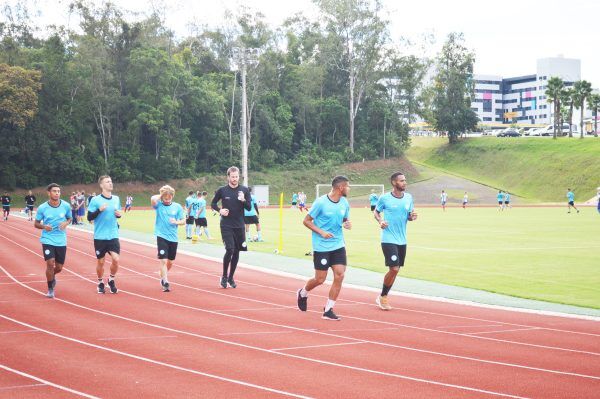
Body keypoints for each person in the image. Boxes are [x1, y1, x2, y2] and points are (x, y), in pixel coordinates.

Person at [296, 176, 351, 321]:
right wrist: (321, 232)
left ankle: (328, 309)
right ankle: (303, 292)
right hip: (321, 246)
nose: (349, 189)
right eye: (348, 186)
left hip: (338, 244)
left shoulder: (344, 203)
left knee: (340, 274)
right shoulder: (320, 202)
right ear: (341, 188)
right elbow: (306, 221)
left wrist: (347, 224)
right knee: (320, 279)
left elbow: (345, 219)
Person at [373, 172, 417, 310]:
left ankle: (383, 296)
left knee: (396, 270)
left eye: (405, 180)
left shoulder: (408, 197)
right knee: (394, 268)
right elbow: (376, 211)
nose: (405, 183)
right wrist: (380, 221)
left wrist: (412, 216)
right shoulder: (385, 198)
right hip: (388, 238)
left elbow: (409, 215)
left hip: (402, 239)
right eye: (402, 181)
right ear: (394, 183)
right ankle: (383, 297)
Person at [211, 166, 252, 288]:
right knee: (230, 249)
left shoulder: (244, 190)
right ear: (228, 177)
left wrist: (243, 200)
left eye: (236, 176)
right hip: (226, 225)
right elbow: (213, 203)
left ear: (239, 177)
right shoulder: (222, 190)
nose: (234, 179)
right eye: (232, 177)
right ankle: (224, 276)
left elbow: (249, 207)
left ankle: (231, 277)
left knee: (237, 251)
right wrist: (220, 210)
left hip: (239, 225)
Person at [34, 183, 72, 298]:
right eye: (54, 191)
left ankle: (52, 276)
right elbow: (36, 223)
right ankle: (50, 288)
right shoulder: (42, 207)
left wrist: (65, 223)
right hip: (48, 239)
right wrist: (44, 227)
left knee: (59, 267)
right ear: (49, 193)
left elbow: (70, 218)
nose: (57, 193)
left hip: (61, 240)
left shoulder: (65, 205)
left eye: (58, 191)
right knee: (50, 263)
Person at [87, 175, 121, 294]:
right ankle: (100, 282)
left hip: (113, 234)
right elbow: (89, 217)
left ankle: (111, 279)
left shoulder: (116, 199)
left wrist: (119, 215)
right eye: (107, 182)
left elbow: (118, 213)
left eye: (111, 181)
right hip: (100, 236)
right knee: (101, 262)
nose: (110, 183)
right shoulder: (95, 200)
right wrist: (99, 210)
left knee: (116, 259)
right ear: (101, 185)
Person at [151, 185, 185, 292]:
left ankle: (162, 275)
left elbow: (183, 221)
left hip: (173, 238)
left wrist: (176, 222)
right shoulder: (159, 205)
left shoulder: (177, 207)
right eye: (165, 197)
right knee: (163, 261)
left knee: (170, 262)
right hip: (161, 236)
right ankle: (165, 282)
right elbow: (152, 199)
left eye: (169, 197)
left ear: (172, 197)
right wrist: (162, 193)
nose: (167, 199)